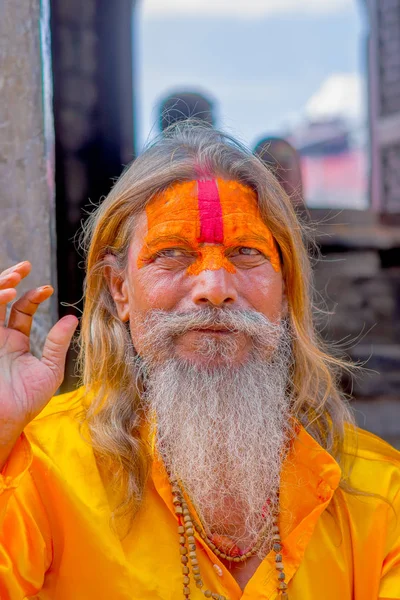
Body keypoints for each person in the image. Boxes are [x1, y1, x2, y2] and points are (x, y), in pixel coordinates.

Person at [0, 123, 399, 600]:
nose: (214, 286)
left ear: (286, 288)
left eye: (246, 253)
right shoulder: (40, 468)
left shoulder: (378, 490)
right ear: (119, 290)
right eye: (171, 254)